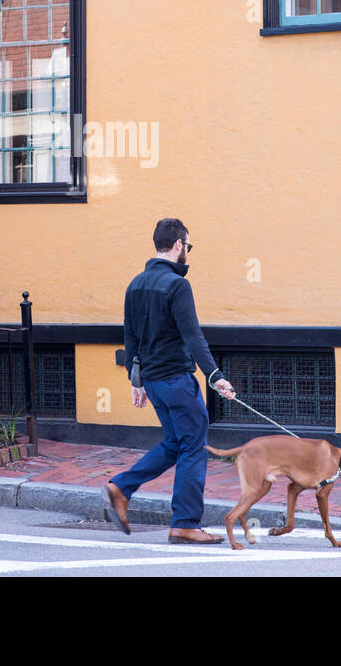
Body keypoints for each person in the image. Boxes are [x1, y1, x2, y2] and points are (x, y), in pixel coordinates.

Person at [103, 217, 236, 544]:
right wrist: (215, 376)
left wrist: (137, 381)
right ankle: (185, 523)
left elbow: (130, 336)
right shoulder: (178, 285)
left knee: (176, 442)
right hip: (177, 380)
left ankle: (121, 487)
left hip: (155, 382)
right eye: (188, 246)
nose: (188, 252)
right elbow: (193, 336)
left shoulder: (135, 283)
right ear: (178, 245)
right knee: (194, 447)